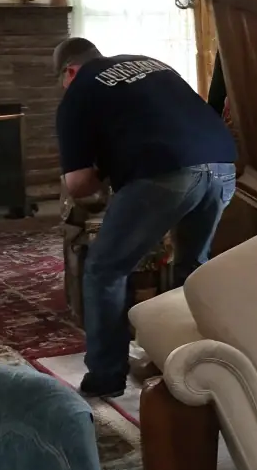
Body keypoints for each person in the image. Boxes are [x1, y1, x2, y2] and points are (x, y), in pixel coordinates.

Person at [54, 37, 238, 398]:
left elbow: (77, 184)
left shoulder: (78, 93)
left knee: (105, 269)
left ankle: (106, 375)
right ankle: (187, 362)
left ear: (70, 71)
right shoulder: (148, 64)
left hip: (165, 175)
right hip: (222, 166)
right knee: (193, 267)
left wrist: (100, 177)